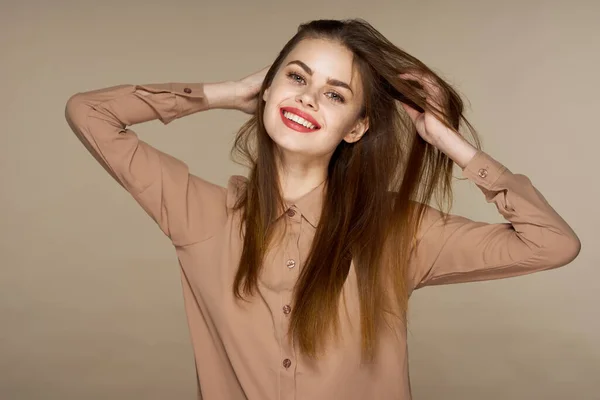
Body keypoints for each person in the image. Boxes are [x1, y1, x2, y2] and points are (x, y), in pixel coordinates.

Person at [65, 18, 580, 400]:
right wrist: (222, 93)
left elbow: (551, 244)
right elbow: (89, 113)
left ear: (357, 128)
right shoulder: (199, 214)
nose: (309, 98)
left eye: (335, 94)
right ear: (267, 90)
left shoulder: (399, 231)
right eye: (296, 78)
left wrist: (449, 143)